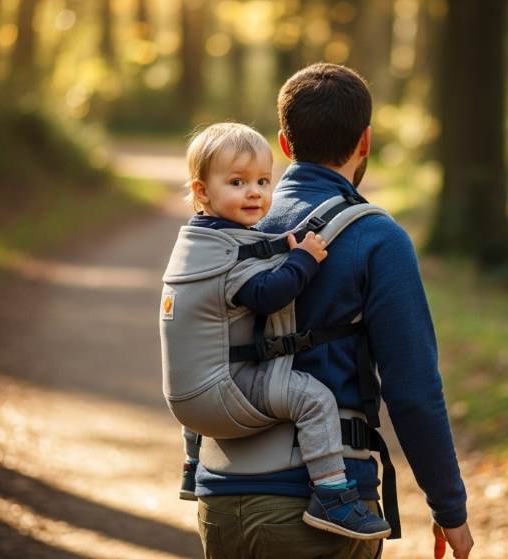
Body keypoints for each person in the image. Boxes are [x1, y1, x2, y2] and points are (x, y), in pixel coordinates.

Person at [194, 64, 474, 558]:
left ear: (283, 143)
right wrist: (449, 508)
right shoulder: (377, 238)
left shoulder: (229, 221)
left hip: (220, 495)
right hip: (319, 510)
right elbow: (413, 393)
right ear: (365, 142)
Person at [178, 122, 392, 540]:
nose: (255, 192)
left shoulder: (195, 241)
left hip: (192, 399)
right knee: (312, 398)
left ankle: (191, 467)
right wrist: (305, 261)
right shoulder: (227, 249)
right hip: (230, 389)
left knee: (201, 367)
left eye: (262, 180)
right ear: (202, 192)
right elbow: (265, 294)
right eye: (237, 182)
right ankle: (332, 496)